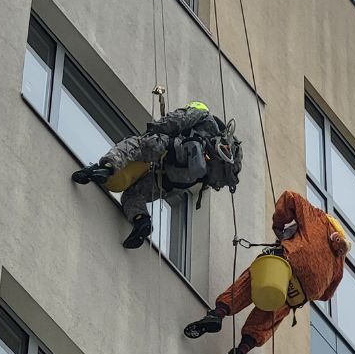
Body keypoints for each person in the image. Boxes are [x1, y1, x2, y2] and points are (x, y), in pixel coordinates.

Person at [184, 190, 351, 354]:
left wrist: (279, 225)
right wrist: (309, 286)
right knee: (268, 317)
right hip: (298, 295)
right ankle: (240, 353)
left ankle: (217, 314)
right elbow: (328, 294)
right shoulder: (339, 261)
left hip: (287, 262)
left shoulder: (318, 218)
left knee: (250, 283)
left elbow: (291, 198)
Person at [72, 101, 242, 248]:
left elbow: (175, 121)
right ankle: (141, 221)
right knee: (132, 194)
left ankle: (105, 168)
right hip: (177, 180)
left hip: (177, 152)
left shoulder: (201, 114)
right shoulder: (219, 150)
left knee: (136, 144)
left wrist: (154, 131)